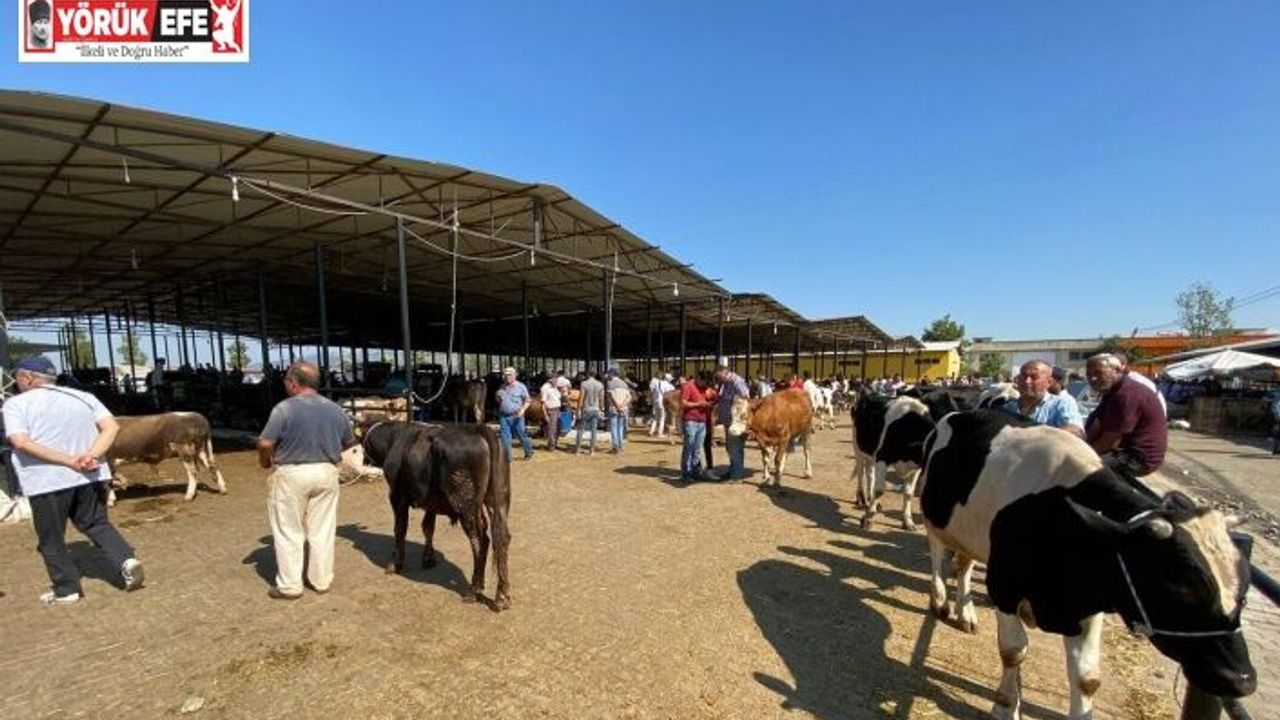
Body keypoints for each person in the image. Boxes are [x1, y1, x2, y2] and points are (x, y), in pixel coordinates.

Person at [3, 357, 144, 605]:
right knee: (97, 523)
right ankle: (126, 559)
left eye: (17, 378)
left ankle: (66, 588)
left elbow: (20, 441)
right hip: (89, 475)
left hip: (47, 481)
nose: (17, 383)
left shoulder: (16, 404)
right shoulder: (83, 397)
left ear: (27, 378)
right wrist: (91, 456)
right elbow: (111, 427)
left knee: (51, 537)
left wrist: (69, 460)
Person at [257, 362, 355, 599]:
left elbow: (265, 443)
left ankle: (290, 586)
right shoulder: (335, 409)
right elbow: (349, 442)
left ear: (293, 382)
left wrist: (265, 462)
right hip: (326, 471)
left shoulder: (284, 409)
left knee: (288, 529)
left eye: (286, 382)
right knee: (322, 529)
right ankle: (321, 580)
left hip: (292, 473)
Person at [1084, 353, 1167, 479]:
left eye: (1098, 373)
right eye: (1089, 374)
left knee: (1081, 468)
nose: (1093, 378)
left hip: (1137, 458)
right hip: (1123, 452)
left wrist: (1081, 453)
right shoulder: (1112, 391)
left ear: (1117, 370)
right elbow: (1097, 424)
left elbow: (1109, 442)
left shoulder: (1125, 395)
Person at [1000, 360, 1084, 438]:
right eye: (1024, 376)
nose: (1027, 381)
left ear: (1049, 382)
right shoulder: (1008, 407)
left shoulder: (1060, 404)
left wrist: (1040, 438)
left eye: (1034, 377)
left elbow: (1076, 430)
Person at [714, 365, 751, 481]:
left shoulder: (737, 382)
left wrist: (742, 422)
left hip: (735, 423)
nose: (718, 380)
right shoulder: (725, 383)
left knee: (735, 448)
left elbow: (746, 398)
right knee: (730, 448)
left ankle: (736, 476)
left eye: (719, 377)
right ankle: (732, 471)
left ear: (726, 372)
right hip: (728, 423)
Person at [495, 367, 534, 462]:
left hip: (517, 415)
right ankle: (507, 458)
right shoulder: (502, 387)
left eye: (509, 375)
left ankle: (528, 451)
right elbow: (498, 400)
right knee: (505, 438)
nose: (507, 377)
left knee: (521, 435)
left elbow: (528, 400)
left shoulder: (521, 387)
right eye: (506, 375)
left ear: (515, 375)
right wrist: (497, 396)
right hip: (504, 415)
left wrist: (522, 410)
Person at [679, 373, 710, 481]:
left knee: (697, 448)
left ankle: (695, 471)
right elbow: (683, 403)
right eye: (703, 382)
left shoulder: (705, 388)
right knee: (689, 447)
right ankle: (686, 473)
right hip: (690, 420)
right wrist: (699, 404)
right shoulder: (688, 386)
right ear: (698, 378)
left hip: (702, 420)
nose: (704, 385)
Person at [574, 370, 605, 455]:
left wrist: (578, 410)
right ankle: (591, 450)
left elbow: (581, 398)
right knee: (594, 430)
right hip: (595, 409)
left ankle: (577, 450)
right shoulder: (600, 384)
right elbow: (601, 398)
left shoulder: (584, 384)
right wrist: (601, 409)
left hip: (586, 409)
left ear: (588, 374)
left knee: (581, 429)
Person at [605, 369, 631, 454]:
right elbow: (629, 397)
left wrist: (617, 406)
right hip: (624, 409)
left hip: (614, 409)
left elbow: (610, 397)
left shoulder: (610, 383)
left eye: (609, 374)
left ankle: (615, 447)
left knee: (614, 428)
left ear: (612, 375)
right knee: (620, 428)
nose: (608, 376)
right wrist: (622, 405)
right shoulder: (624, 384)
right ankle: (621, 446)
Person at [539, 375, 563, 452]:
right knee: (552, 429)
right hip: (551, 410)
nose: (557, 381)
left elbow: (558, 398)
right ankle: (551, 447)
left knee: (558, 429)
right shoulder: (545, 388)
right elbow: (543, 403)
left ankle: (554, 444)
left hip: (557, 409)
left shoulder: (555, 388)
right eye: (555, 380)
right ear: (550, 380)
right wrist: (545, 414)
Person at [648, 372, 674, 437]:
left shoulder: (657, 383)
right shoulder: (669, 385)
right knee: (662, 418)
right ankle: (660, 433)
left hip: (656, 401)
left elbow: (652, 391)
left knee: (656, 418)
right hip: (662, 402)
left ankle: (651, 431)